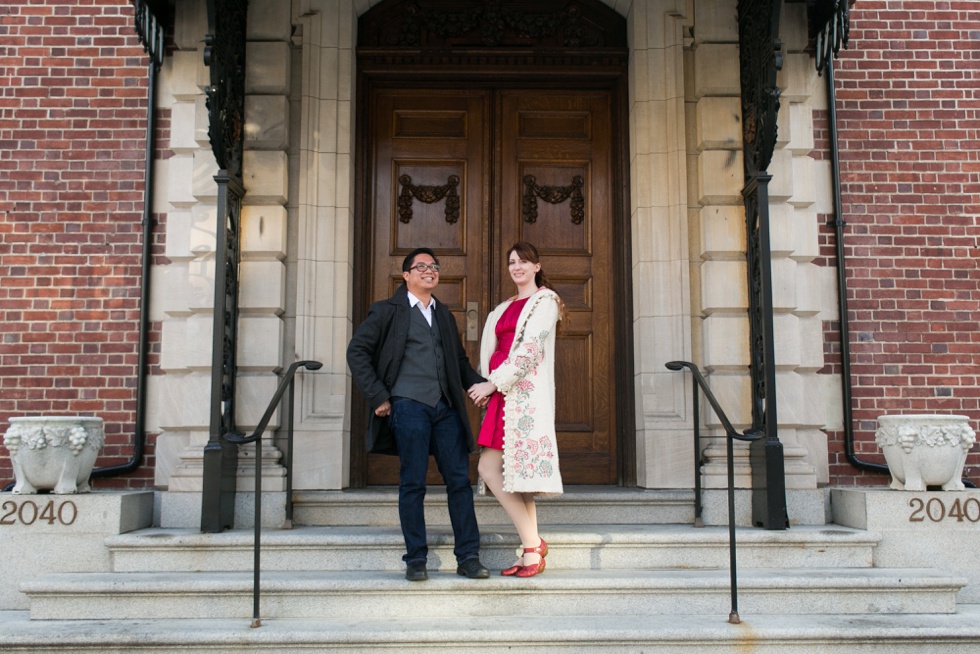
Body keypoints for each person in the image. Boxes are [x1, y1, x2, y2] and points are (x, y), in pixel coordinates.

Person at [346, 247, 490, 582]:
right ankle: (416, 558)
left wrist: (487, 386)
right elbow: (358, 351)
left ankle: (468, 556)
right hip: (407, 404)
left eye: (434, 266)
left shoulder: (444, 314)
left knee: (459, 481)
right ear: (406, 275)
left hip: (445, 408)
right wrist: (379, 395)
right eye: (421, 266)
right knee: (413, 481)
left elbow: (457, 363)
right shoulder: (387, 311)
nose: (429, 271)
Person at [468, 242, 565, 577]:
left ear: (537, 266)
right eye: (512, 262)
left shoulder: (545, 301)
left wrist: (492, 383)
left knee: (489, 469)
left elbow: (529, 351)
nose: (517, 267)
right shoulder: (503, 307)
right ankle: (531, 550)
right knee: (513, 476)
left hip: (521, 395)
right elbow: (492, 350)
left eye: (524, 261)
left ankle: (532, 545)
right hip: (500, 393)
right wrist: (487, 384)